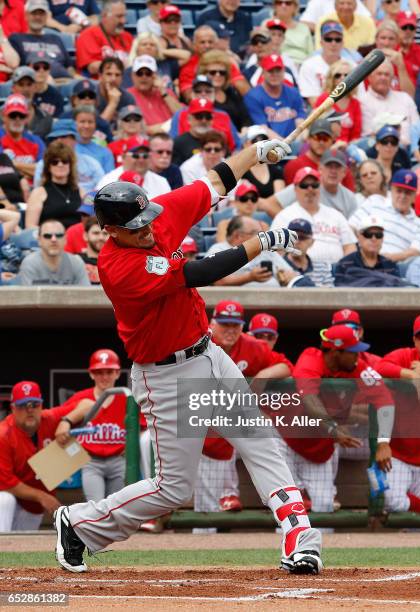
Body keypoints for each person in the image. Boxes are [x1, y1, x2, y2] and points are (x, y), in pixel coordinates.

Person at [53, 135, 325, 576]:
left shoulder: (153, 220)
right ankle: (81, 523)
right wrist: (263, 241)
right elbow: (203, 271)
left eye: (148, 220)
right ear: (111, 229)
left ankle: (299, 536)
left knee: (259, 441)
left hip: (208, 352)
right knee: (174, 487)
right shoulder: (118, 267)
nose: (148, 229)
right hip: (165, 376)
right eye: (137, 226)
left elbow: (216, 181)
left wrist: (255, 152)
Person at [276, 324, 393, 513]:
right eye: (352, 351)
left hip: (319, 447)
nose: (358, 356)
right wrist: (333, 428)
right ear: (336, 352)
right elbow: (310, 399)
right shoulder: (310, 358)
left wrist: (383, 441)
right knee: (288, 507)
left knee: (325, 506)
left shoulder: (357, 367)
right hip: (285, 441)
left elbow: (385, 399)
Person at [194, 299, 294, 518]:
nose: (230, 330)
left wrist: (262, 376)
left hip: (234, 424)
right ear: (212, 323)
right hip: (203, 429)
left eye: (235, 325)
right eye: (224, 324)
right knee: (206, 510)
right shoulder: (196, 343)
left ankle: (287, 504)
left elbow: (286, 365)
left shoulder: (251, 345)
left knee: (272, 440)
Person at [0, 380, 99, 532]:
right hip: (11, 496)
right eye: (22, 406)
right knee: (4, 500)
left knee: (23, 547)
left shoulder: (49, 418)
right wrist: (42, 496)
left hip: (33, 506)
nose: (30, 410)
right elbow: (7, 483)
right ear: (13, 408)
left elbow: (90, 404)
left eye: (34, 404)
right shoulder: (4, 434)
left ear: (41, 405)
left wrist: (66, 421)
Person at [56, 350, 130, 502]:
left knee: (116, 506)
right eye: (99, 372)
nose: (104, 377)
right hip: (91, 461)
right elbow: (58, 420)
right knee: (95, 506)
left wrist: (132, 443)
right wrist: (64, 422)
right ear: (91, 374)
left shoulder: (127, 399)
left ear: (117, 373)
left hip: (118, 460)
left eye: (109, 372)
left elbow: (143, 428)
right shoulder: (80, 398)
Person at [377, 314, 420, 513]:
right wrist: (411, 374)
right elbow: (379, 367)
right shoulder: (405, 356)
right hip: (399, 456)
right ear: (414, 339)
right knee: (393, 502)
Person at [272, 167, 357, 264]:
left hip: (336, 271)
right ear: (295, 188)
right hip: (299, 271)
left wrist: (344, 268)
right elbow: (276, 251)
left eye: (314, 185)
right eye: (304, 185)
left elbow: (350, 246)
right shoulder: (284, 216)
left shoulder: (336, 215)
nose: (310, 189)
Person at [206, 215, 312, 288]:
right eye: (257, 234)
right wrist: (249, 277)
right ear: (238, 235)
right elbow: (216, 281)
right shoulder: (219, 250)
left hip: (274, 301)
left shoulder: (265, 251)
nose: (262, 237)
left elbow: (289, 274)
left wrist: (285, 277)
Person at [349, 169, 420, 263]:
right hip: (362, 259)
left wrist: (389, 258)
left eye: (408, 192)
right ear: (391, 189)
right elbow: (351, 227)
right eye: (399, 191)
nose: (402, 196)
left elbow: (416, 252)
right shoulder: (374, 202)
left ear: (414, 195)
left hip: (393, 268)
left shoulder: (419, 223)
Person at [170, 74, 240, 153]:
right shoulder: (180, 114)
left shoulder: (224, 115)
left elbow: (237, 146)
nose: (203, 94)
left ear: (214, 94)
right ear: (192, 94)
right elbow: (173, 144)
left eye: (207, 91)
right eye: (198, 91)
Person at [178, 25, 249, 102]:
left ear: (216, 44)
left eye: (210, 42)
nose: (207, 46)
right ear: (194, 45)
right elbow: (188, 96)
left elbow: (243, 87)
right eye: (202, 42)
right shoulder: (188, 66)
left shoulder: (225, 62)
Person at [359, 59, 420, 147]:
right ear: (369, 77)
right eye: (379, 74)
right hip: (379, 151)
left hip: (412, 151)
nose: (383, 77)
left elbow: (417, 128)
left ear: (392, 79)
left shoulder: (405, 98)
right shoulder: (362, 102)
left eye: (387, 74)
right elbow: (369, 135)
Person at [33, 119, 104, 194]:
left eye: (63, 136)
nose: (59, 140)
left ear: (75, 139)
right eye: (55, 138)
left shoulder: (91, 164)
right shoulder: (43, 164)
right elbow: (38, 191)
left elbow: (102, 190)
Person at [244, 54, 306, 139]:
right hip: (269, 144)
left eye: (278, 70)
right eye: (270, 71)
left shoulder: (293, 92)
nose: (275, 74)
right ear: (263, 72)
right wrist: (283, 144)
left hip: (295, 141)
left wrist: (299, 138)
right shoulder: (253, 96)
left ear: (284, 71)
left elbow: (300, 119)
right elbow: (263, 128)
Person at [9, 0, 74, 80]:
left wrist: (74, 78)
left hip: (65, 81)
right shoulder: (16, 38)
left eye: (41, 14)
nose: (38, 17)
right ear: (26, 16)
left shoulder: (55, 38)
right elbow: (14, 69)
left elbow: (69, 67)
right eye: (34, 13)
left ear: (47, 17)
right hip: (34, 83)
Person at [283, 119, 355, 191]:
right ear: (309, 139)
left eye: (325, 138)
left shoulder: (340, 167)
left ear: (332, 140)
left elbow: (350, 197)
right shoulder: (293, 166)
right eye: (317, 137)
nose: (321, 142)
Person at [334, 214, 403, 286]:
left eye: (378, 235)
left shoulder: (390, 265)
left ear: (382, 239)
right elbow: (340, 293)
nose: (374, 239)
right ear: (359, 237)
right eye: (368, 234)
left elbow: (398, 293)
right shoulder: (345, 264)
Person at [26, 141, 81, 230]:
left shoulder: (81, 192)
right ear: (48, 167)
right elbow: (30, 227)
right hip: (51, 240)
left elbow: (89, 223)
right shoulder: (38, 193)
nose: (60, 165)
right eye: (55, 162)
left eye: (65, 161)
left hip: (76, 240)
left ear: (70, 165)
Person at [18, 219, 90, 286]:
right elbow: (28, 297)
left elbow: (86, 296)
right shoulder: (30, 263)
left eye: (59, 235)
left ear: (65, 239)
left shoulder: (76, 262)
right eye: (47, 236)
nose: (53, 239)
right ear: (39, 240)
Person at [298, 21, 354, 107]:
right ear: (321, 42)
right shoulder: (309, 65)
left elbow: (357, 97)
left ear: (343, 43)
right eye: (328, 39)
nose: (333, 43)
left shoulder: (351, 66)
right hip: (322, 115)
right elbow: (314, 102)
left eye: (337, 39)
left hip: (349, 112)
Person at [96, 136, 170, 197]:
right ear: (124, 157)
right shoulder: (108, 181)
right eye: (136, 155)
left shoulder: (161, 182)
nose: (141, 160)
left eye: (145, 156)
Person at [198, 49, 252, 132]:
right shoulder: (200, 95)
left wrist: (244, 130)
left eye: (222, 72)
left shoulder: (231, 92)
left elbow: (246, 118)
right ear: (204, 74)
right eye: (213, 72)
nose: (218, 75)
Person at [75, 0, 132, 77]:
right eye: (119, 16)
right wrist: (123, 64)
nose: (123, 21)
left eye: (124, 16)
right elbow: (92, 67)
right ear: (104, 15)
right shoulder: (88, 35)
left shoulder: (127, 36)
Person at [127, 55, 182, 133]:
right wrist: (153, 130)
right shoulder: (127, 95)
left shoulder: (167, 92)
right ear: (132, 76)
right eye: (139, 73)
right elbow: (127, 126)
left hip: (171, 137)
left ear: (155, 75)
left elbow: (182, 116)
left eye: (148, 73)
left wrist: (164, 93)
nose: (144, 77)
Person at [314, 60, 362, 143]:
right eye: (338, 75)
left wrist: (346, 147)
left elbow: (356, 135)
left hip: (347, 147)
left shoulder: (355, 103)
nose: (342, 78)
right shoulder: (324, 99)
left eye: (347, 75)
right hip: (325, 144)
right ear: (331, 79)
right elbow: (316, 128)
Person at [0, 93, 45, 182]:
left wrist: (11, 164)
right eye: (13, 115)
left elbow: (45, 171)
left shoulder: (36, 141)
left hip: (34, 191)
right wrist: (32, 171)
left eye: (21, 116)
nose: (17, 119)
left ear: (27, 118)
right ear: (4, 116)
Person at [283, 218, 335, 287]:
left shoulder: (322, 268)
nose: (296, 242)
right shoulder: (279, 266)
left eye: (302, 238)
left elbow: (330, 296)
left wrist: (296, 281)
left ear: (311, 242)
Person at [60, 79, 113, 145]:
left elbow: (111, 146)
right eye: (82, 96)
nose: (87, 99)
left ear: (95, 101)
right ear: (74, 100)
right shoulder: (64, 119)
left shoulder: (102, 124)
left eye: (91, 96)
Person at [11, 65, 53, 140]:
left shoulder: (45, 118)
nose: (25, 89)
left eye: (29, 84)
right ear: (13, 88)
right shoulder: (2, 115)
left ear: (35, 87)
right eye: (21, 84)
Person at [172, 97, 216, 166]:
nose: (203, 120)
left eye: (208, 116)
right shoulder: (178, 143)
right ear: (189, 119)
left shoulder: (219, 140)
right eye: (199, 116)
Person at [269, 0, 314, 65]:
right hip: (276, 65)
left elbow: (311, 54)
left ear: (295, 7)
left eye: (288, 3)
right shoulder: (267, 25)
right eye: (279, 3)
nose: (283, 6)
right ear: (274, 6)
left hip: (302, 66)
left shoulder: (304, 28)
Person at [74, 106, 115, 174]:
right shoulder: (67, 149)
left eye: (90, 122)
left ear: (95, 125)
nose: (86, 126)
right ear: (74, 123)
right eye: (82, 122)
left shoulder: (105, 152)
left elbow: (109, 180)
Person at [96, 57, 136, 124]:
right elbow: (96, 130)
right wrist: (112, 103)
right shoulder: (90, 95)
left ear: (122, 78)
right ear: (100, 76)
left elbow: (133, 125)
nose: (113, 79)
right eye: (109, 74)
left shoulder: (128, 98)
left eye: (117, 75)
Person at [29, 51, 64, 118]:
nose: (41, 70)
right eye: (36, 67)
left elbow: (58, 120)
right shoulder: (24, 91)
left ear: (49, 69)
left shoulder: (56, 95)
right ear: (30, 68)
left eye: (45, 67)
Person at [300, 0, 372, 32]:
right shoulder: (317, 1)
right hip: (328, 42)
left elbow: (368, 19)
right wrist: (330, 29)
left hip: (354, 43)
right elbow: (304, 23)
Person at [78, 216, 109, 284]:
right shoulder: (75, 261)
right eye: (96, 233)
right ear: (86, 236)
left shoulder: (116, 263)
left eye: (105, 233)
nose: (101, 237)